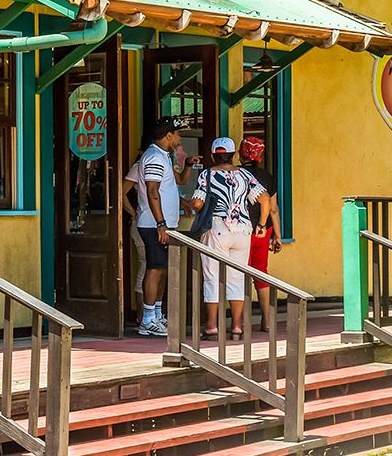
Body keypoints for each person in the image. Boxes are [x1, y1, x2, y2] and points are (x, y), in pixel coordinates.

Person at [188, 136, 272, 342]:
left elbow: (198, 204)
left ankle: (211, 327)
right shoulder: (244, 174)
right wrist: (261, 225)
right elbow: (265, 199)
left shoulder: (207, 174)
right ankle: (236, 327)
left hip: (217, 228)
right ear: (233, 155)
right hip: (243, 230)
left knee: (212, 277)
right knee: (236, 278)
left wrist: (195, 203)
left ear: (212, 155)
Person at [121, 118, 182, 338]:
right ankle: (147, 319)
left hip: (163, 224)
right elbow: (152, 191)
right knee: (154, 269)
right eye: (176, 133)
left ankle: (156, 314)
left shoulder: (162, 156)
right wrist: (161, 223)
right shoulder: (154, 157)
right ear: (168, 135)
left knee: (162, 269)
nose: (179, 138)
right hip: (153, 224)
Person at [239, 136, 283, 334]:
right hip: (263, 231)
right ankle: (266, 321)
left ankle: (239, 323)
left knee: (238, 275)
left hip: (242, 230)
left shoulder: (237, 175)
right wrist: (278, 236)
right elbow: (273, 209)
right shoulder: (267, 177)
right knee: (261, 274)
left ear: (241, 154)